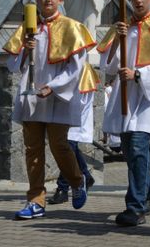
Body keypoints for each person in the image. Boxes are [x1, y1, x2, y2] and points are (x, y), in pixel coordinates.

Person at [3, 0, 94, 219]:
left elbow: (76, 68)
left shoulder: (72, 27)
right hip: (32, 96)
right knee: (32, 150)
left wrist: (52, 87)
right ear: (38, 0)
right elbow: (12, 65)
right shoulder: (27, 28)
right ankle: (36, 201)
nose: (48, 0)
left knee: (59, 146)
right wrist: (24, 48)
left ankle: (77, 180)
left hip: (57, 97)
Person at [98, 0, 150, 226]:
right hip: (125, 93)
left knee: (138, 147)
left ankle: (135, 207)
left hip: (148, 95)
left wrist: (138, 73)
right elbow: (107, 65)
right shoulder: (123, 26)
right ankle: (148, 191)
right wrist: (117, 39)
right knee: (130, 151)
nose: (138, 0)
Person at [47, 63, 98, 204]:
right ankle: (84, 176)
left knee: (67, 145)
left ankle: (64, 188)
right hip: (67, 107)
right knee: (69, 146)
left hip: (73, 108)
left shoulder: (80, 69)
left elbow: (81, 101)